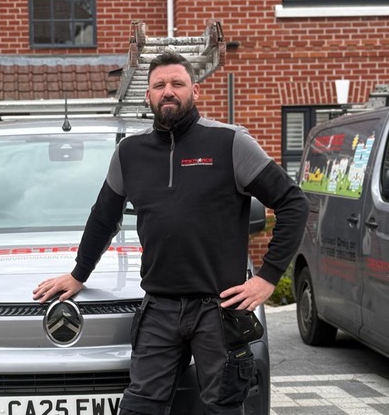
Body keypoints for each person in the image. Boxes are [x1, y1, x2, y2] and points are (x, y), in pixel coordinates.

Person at [33, 51, 309, 415]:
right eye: (159, 85)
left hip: (219, 309)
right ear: (148, 95)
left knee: (223, 408)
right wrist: (78, 274)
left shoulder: (229, 142)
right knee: (140, 407)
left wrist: (268, 277)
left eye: (177, 83)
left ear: (195, 90)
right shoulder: (129, 153)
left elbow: (293, 202)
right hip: (160, 307)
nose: (168, 91)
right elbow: (103, 218)